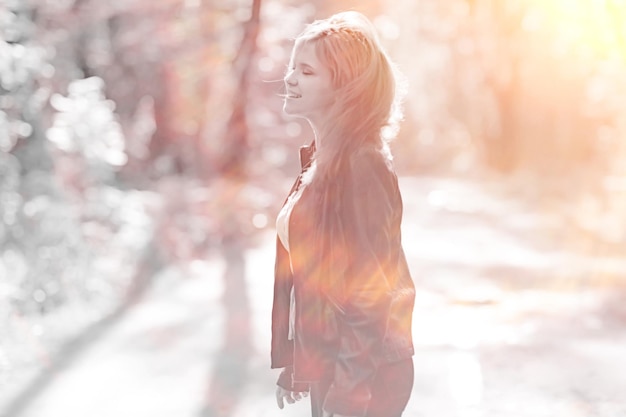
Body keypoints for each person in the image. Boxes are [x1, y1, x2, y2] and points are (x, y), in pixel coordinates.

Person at [271, 10, 416, 417]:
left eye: (306, 71)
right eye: (291, 67)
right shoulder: (321, 162)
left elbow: (371, 291)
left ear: (344, 87)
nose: (290, 79)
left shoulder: (361, 163)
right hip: (337, 364)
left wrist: (350, 394)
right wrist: (300, 364)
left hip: (366, 372)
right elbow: (316, 276)